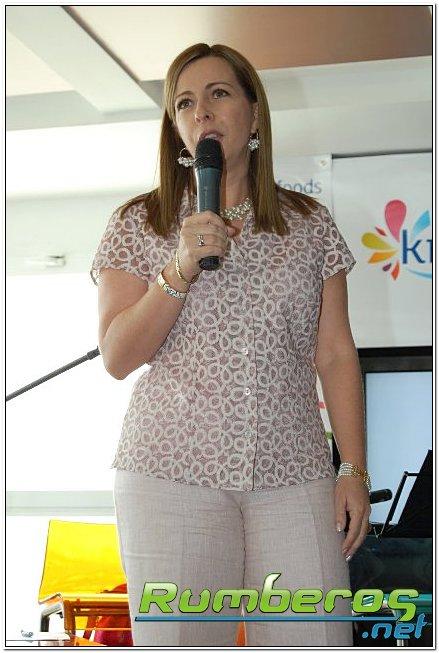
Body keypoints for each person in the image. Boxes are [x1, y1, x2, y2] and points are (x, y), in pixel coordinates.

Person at [90, 42, 371, 647]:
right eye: (185, 103)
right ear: (176, 129)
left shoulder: (309, 224)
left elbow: (335, 353)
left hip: (294, 473)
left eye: (219, 94)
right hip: (170, 472)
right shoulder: (138, 222)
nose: (202, 112)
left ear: (255, 114)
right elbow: (117, 356)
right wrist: (179, 267)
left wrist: (353, 468)